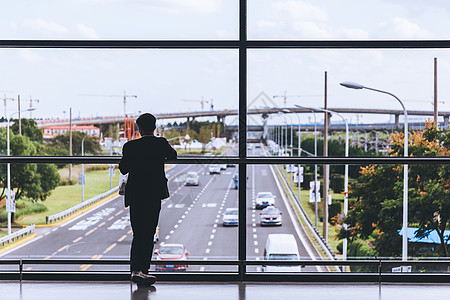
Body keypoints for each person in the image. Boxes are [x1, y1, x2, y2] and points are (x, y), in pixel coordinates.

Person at [119, 113, 177, 286]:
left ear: (139, 128)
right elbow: (173, 155)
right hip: (153, 194)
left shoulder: (130, 146)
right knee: (149, 232)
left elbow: (123, 169)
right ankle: (143, 270)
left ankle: (135, 270)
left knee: (138, 233)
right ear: (154, 127)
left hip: (136, 194)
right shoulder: (160, 143)